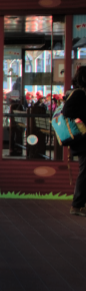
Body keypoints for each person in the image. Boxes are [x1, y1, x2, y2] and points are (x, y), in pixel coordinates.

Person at [63, 66, 86, 217]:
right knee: (85, 172)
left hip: (82, 140)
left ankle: (79, 204)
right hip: (82, 141)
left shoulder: (80, 93)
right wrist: (81, 123)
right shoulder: (78, 94)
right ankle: (76, 205)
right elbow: (67, 112)